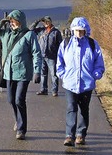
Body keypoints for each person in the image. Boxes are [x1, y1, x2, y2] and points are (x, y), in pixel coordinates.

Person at [0, 9, 42, 140]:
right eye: (11, 21)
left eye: (14, 21)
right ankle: (17, 120)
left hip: (23, 73)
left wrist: (37, 71)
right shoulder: (5, 33)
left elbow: (36, 53)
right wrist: (2, 22)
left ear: (21, 21)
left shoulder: (29, 35)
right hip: (8, 73)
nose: (12, 23)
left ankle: (22, 129)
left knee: (19, 100)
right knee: (11, 100)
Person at [57, 17, 105, 146]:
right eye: (76, 30)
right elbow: (59, 61)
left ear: (85, 31)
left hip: (86, 84)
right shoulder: (66, 43)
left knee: (84, 109)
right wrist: (62, 74)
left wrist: (96, 74)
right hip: (70, 83)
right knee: (71, 108)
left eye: (81, 30)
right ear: (73, 30)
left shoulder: (92, 44)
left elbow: (99, 62)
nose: (79, 33)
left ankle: (81, 134)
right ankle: (69, 135)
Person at [29, 16, 63, 97]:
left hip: (52, 56)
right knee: (43, 74)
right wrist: (37, 21)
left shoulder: (56, 32)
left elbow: (60, 45)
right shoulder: (41, 30)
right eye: (44, 22)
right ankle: (43, 89)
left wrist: (60, 56)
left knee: (53, 74)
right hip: (42, 55)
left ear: (50, 22)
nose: (46, 23)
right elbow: (30, 30)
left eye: (47, 21)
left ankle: (54, 90)